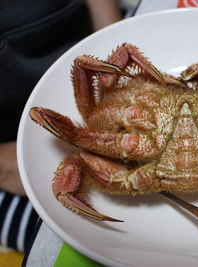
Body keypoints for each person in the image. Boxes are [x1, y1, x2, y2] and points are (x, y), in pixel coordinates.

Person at [0, 0, 123, 252]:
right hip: (10, 142)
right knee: (83, 238)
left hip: (86, 53)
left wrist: (111, 53)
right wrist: (4, 164)